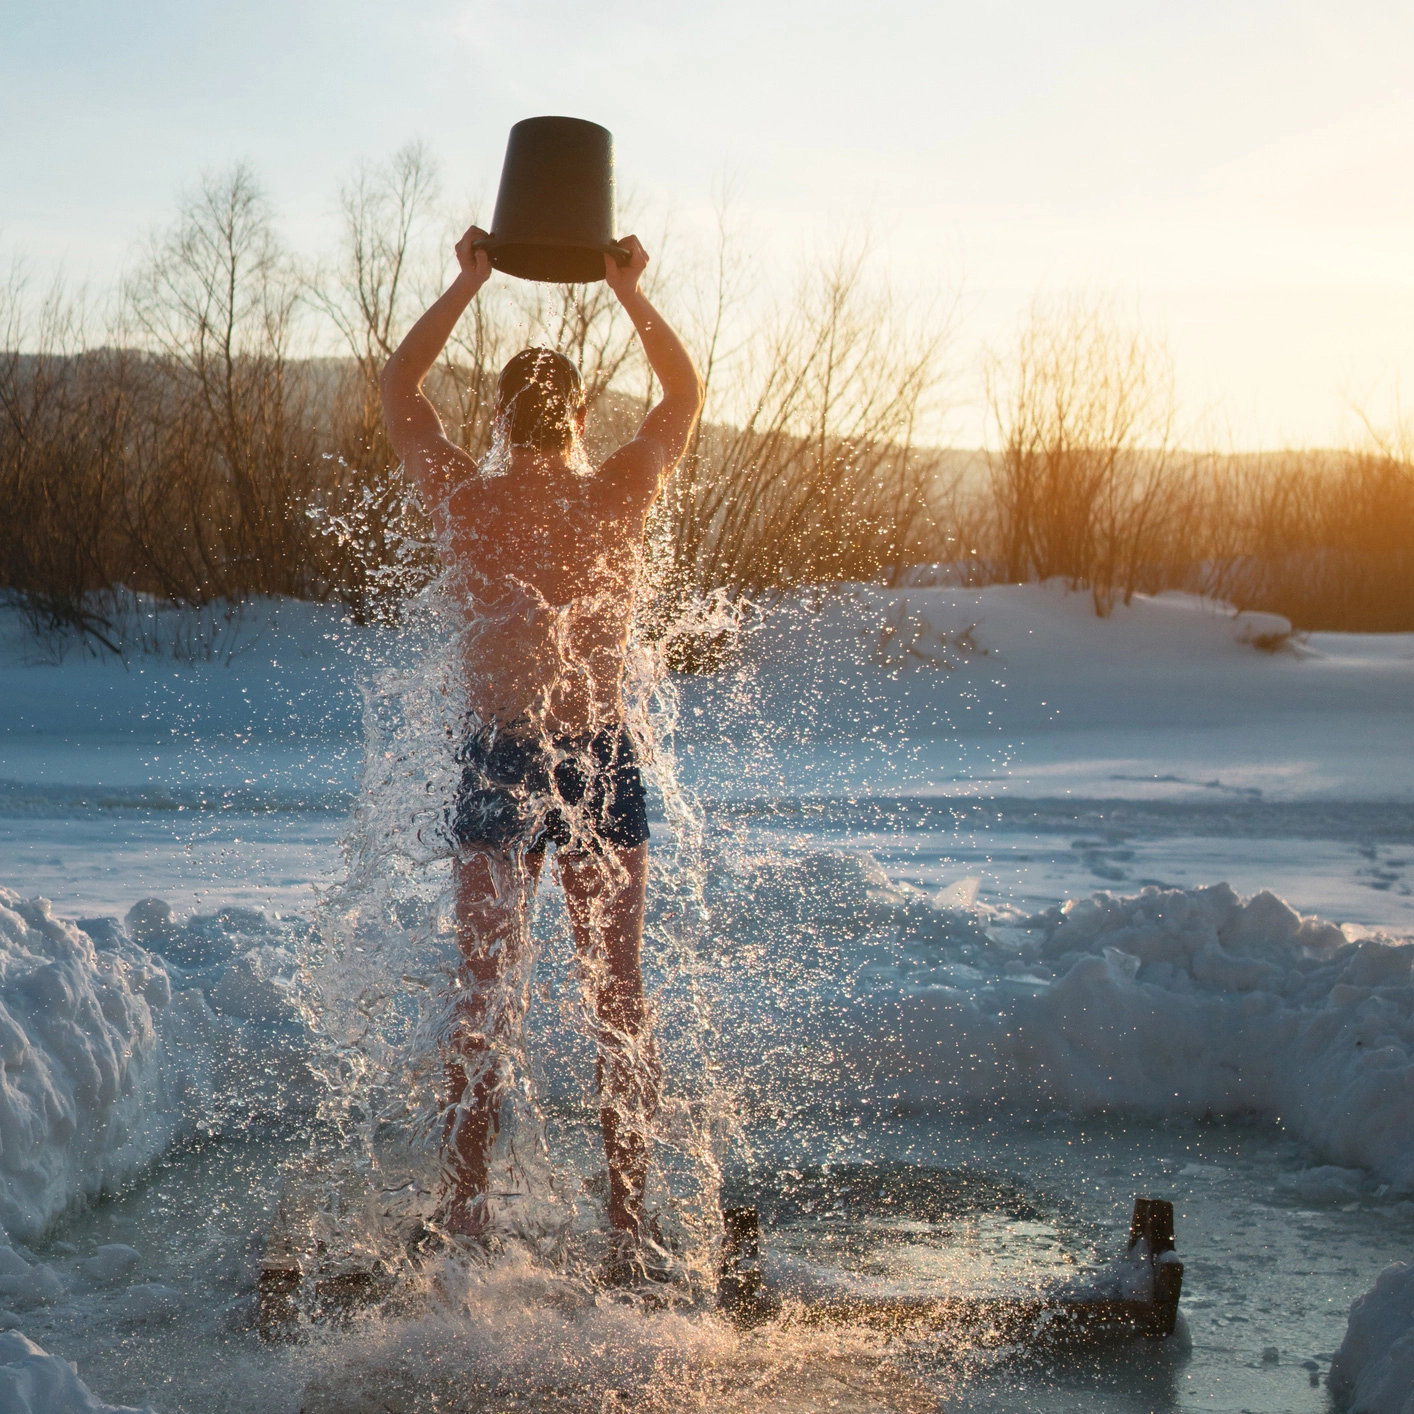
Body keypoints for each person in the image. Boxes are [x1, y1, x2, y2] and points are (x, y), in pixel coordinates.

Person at [379, 226, 703, 1274]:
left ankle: (464, 1218)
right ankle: (626, 1225)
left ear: (501, 419)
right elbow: (683, 399)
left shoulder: (468, 506)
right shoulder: (614, 497)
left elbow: (398, 389)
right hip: (599, 761)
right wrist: (626, 291)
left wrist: (467, 278)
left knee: (482, 997)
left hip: (498, 761)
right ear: (574, 418)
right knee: (618, 998)